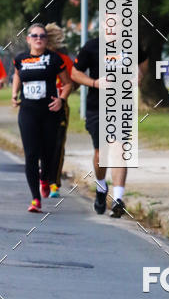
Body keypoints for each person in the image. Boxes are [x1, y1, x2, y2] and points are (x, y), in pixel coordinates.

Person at [71, 34, 147, 218]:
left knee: (119, 148)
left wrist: (138, 75)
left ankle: (118, 199)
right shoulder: (92, 46)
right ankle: (101, 186)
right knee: (101, 153)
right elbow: (75, 73)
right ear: (105, 24)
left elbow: (143, 63)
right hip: (97, 107)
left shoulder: (131, 45)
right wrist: (95, 83)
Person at [12, 24, 72, 212]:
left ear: (47, 40)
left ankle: (45, 178)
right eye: (35, 36)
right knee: (31, 155)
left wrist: (61, 100)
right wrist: (14, 94)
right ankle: (35, 199)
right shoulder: (21, 58)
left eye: (42, 36)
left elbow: (67, 83)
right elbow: (17, 76)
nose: (39, 39)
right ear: (28, 39)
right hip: (28, 111)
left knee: (48, 152)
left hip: (49, 112)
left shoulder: (54, 59)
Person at [45, 23, 75, 197]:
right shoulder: (31, 59)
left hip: (59, 106)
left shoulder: (64, 60)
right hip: (37, 107)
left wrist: (63, 94)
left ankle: (54, 183)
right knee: (40, 144)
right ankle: (43, 177)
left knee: (57, 145)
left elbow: (72, 82)